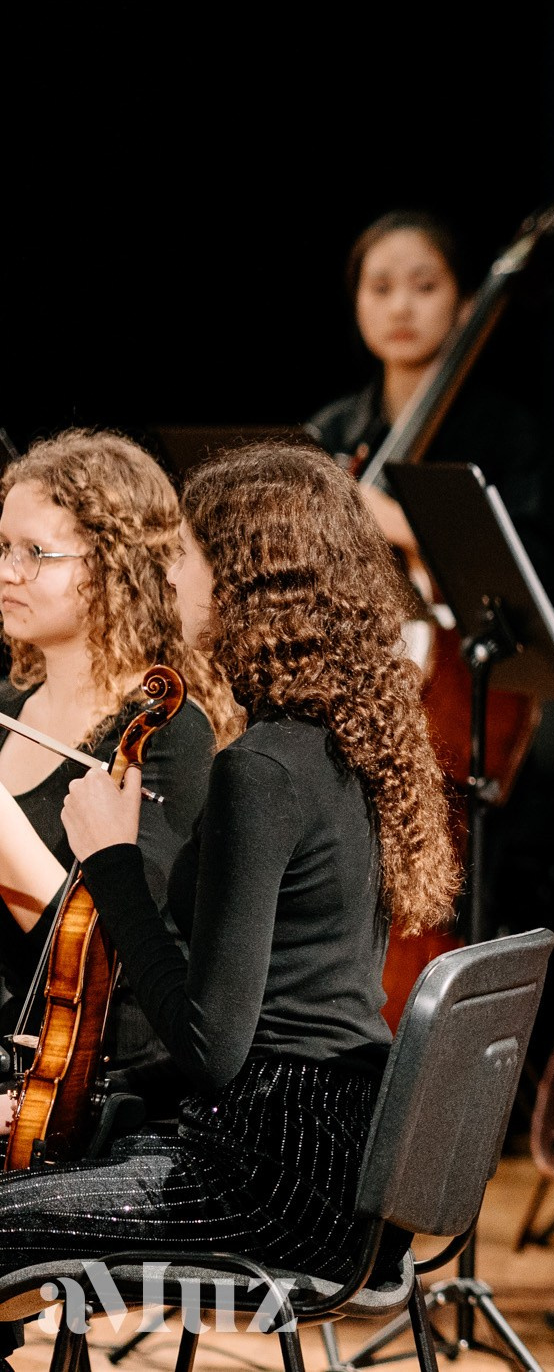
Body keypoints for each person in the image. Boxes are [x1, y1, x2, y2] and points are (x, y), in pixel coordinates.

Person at [0, 440, 461, 1286]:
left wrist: (108, 860)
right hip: (333, 1159)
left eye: (185, 558)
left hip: (270, 1176)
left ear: (247, 581)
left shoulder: (260, 771)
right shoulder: (331, 744)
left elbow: (212, 1046)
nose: (169, 579)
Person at [0, 431, 225, 1103]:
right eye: (3, 547)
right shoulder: (6, 705)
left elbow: (114, 959)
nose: (8, 571)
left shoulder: (168, 739)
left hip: (78, 1088)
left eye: (35, 553)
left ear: (112, 566)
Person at [306, 210, 554, 584]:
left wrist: (402, 526)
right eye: (380, 288)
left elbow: (531, 574)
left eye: (425, 287)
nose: (400, 309)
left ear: (466, 305)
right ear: (356, 302)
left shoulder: (508, 433)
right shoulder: (330, 430)